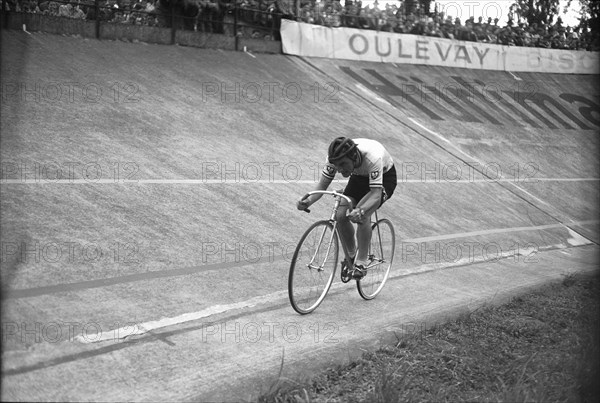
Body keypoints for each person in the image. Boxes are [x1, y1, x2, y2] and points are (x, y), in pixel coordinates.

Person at [296, 137, 397, 281]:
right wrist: (307, 201)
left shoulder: (373, 158)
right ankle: (351, 256)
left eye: (343, 164)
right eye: (337, 166)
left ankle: (361, 263)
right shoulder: (334, 160)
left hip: (384, 178)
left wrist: (361, 211)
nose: (340, 169)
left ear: (354, 157)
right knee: (339, 214)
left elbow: (375, 194)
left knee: (362, 213)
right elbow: (322, 187)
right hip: (358, 176)